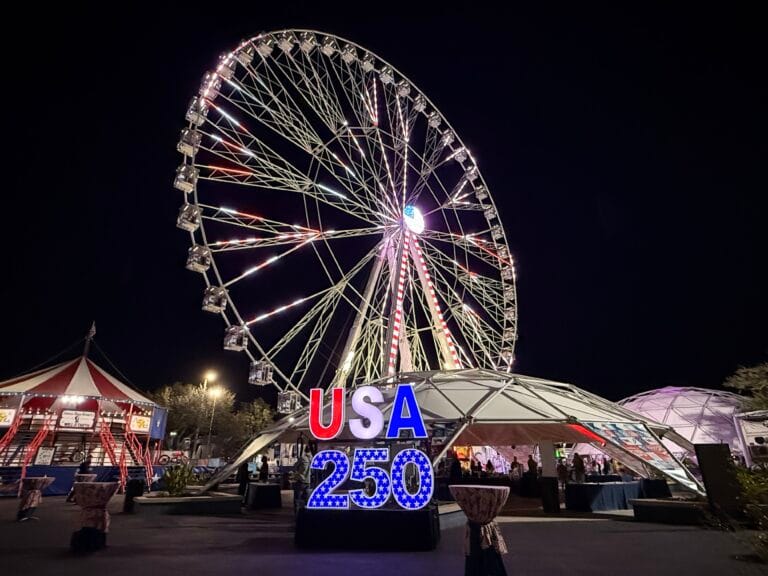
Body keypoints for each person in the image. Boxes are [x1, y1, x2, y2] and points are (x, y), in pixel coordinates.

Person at [292, 447, 312, 513]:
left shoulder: (303, 458)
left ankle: (297, 514)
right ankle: (306, 514)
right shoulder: (313, 459)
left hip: (301, 480)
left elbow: (294, 467)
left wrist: (297, 473)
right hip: (308, 481)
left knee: (297, 499)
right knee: (306, 499)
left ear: (304, 450)